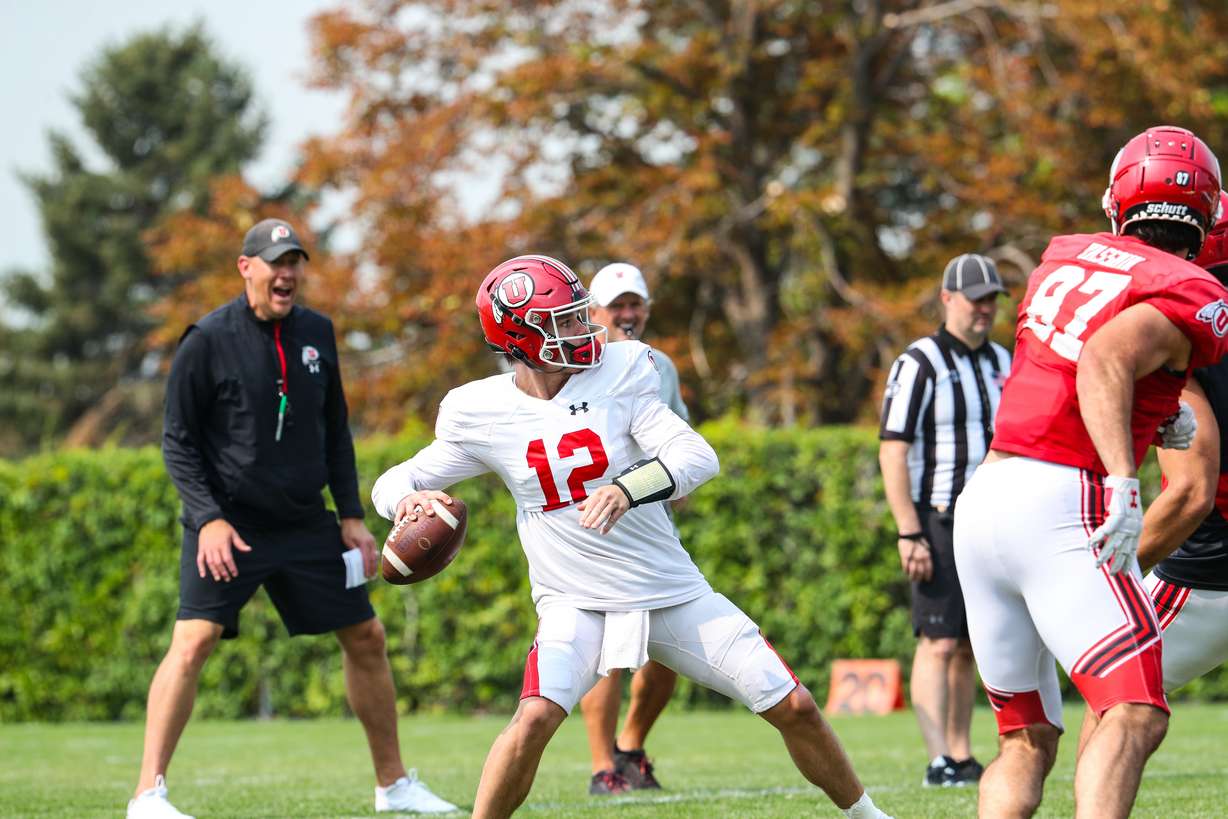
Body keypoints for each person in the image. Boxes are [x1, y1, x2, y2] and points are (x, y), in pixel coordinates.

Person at [371, 254, 893, 819]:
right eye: (562, 322)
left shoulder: (622, 372)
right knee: (535, 718)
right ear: (518, 337)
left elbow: (696, 456)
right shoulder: (480, 410)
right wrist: (406, 499)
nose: (581, 330)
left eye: (577, 316)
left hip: (668, 591)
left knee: (795, 705)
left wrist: (628, 487)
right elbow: (399, 478)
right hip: (575, 602)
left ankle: (870, 817)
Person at [127, 219, 457, 818]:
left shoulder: (317, 333)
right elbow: (177, 442)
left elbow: (336, 431)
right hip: (229, 524)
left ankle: (394, 787)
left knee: (366, 636)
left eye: (295, 262)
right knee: (193, 640)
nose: (287, 273)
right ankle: (148, 795)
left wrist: (352, 516)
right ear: (245, 267)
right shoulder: (206, 339)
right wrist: (206, 519)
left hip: (307, 523)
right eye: (275, 262)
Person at [952, 125, 1228, 819]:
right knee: (1135, 712)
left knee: (1025, 738)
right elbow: (1107, 357)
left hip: (985, 498)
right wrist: (1123, 478)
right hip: (1061, 499)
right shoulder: (1194, 289)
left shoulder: (1064, 261)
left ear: (1118, 201)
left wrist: (1155, 411)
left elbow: (1067, 362)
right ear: (1206, 212)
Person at [1075, 191, 1228, 752]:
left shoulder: (1189, 329)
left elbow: (1191, 492)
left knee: (1114, 694)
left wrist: (1106, 574)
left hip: (1213, 567)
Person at [878, 253, 1011, 787]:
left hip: (994, 518)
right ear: (947, 298)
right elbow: (893, 448)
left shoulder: (1003, 359)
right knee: (936, 640)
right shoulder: (920, 361)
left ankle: (961, 752)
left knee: (968, 641)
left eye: (991, 298)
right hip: (938, 516)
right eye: (975, 297)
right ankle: (939, 757)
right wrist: (908, 529)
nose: (984, 308)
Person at [577, 261, 688, 794]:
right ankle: (603, 768)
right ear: (593, 312)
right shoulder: (569, 364)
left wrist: (679, 477)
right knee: (605, 652)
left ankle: (631, 747)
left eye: (634, 304)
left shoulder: (658, 364)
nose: (626, 314)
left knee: (668, 649)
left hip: (653, 524)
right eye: (616, 305)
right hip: (592, 529)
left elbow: (679, 437)